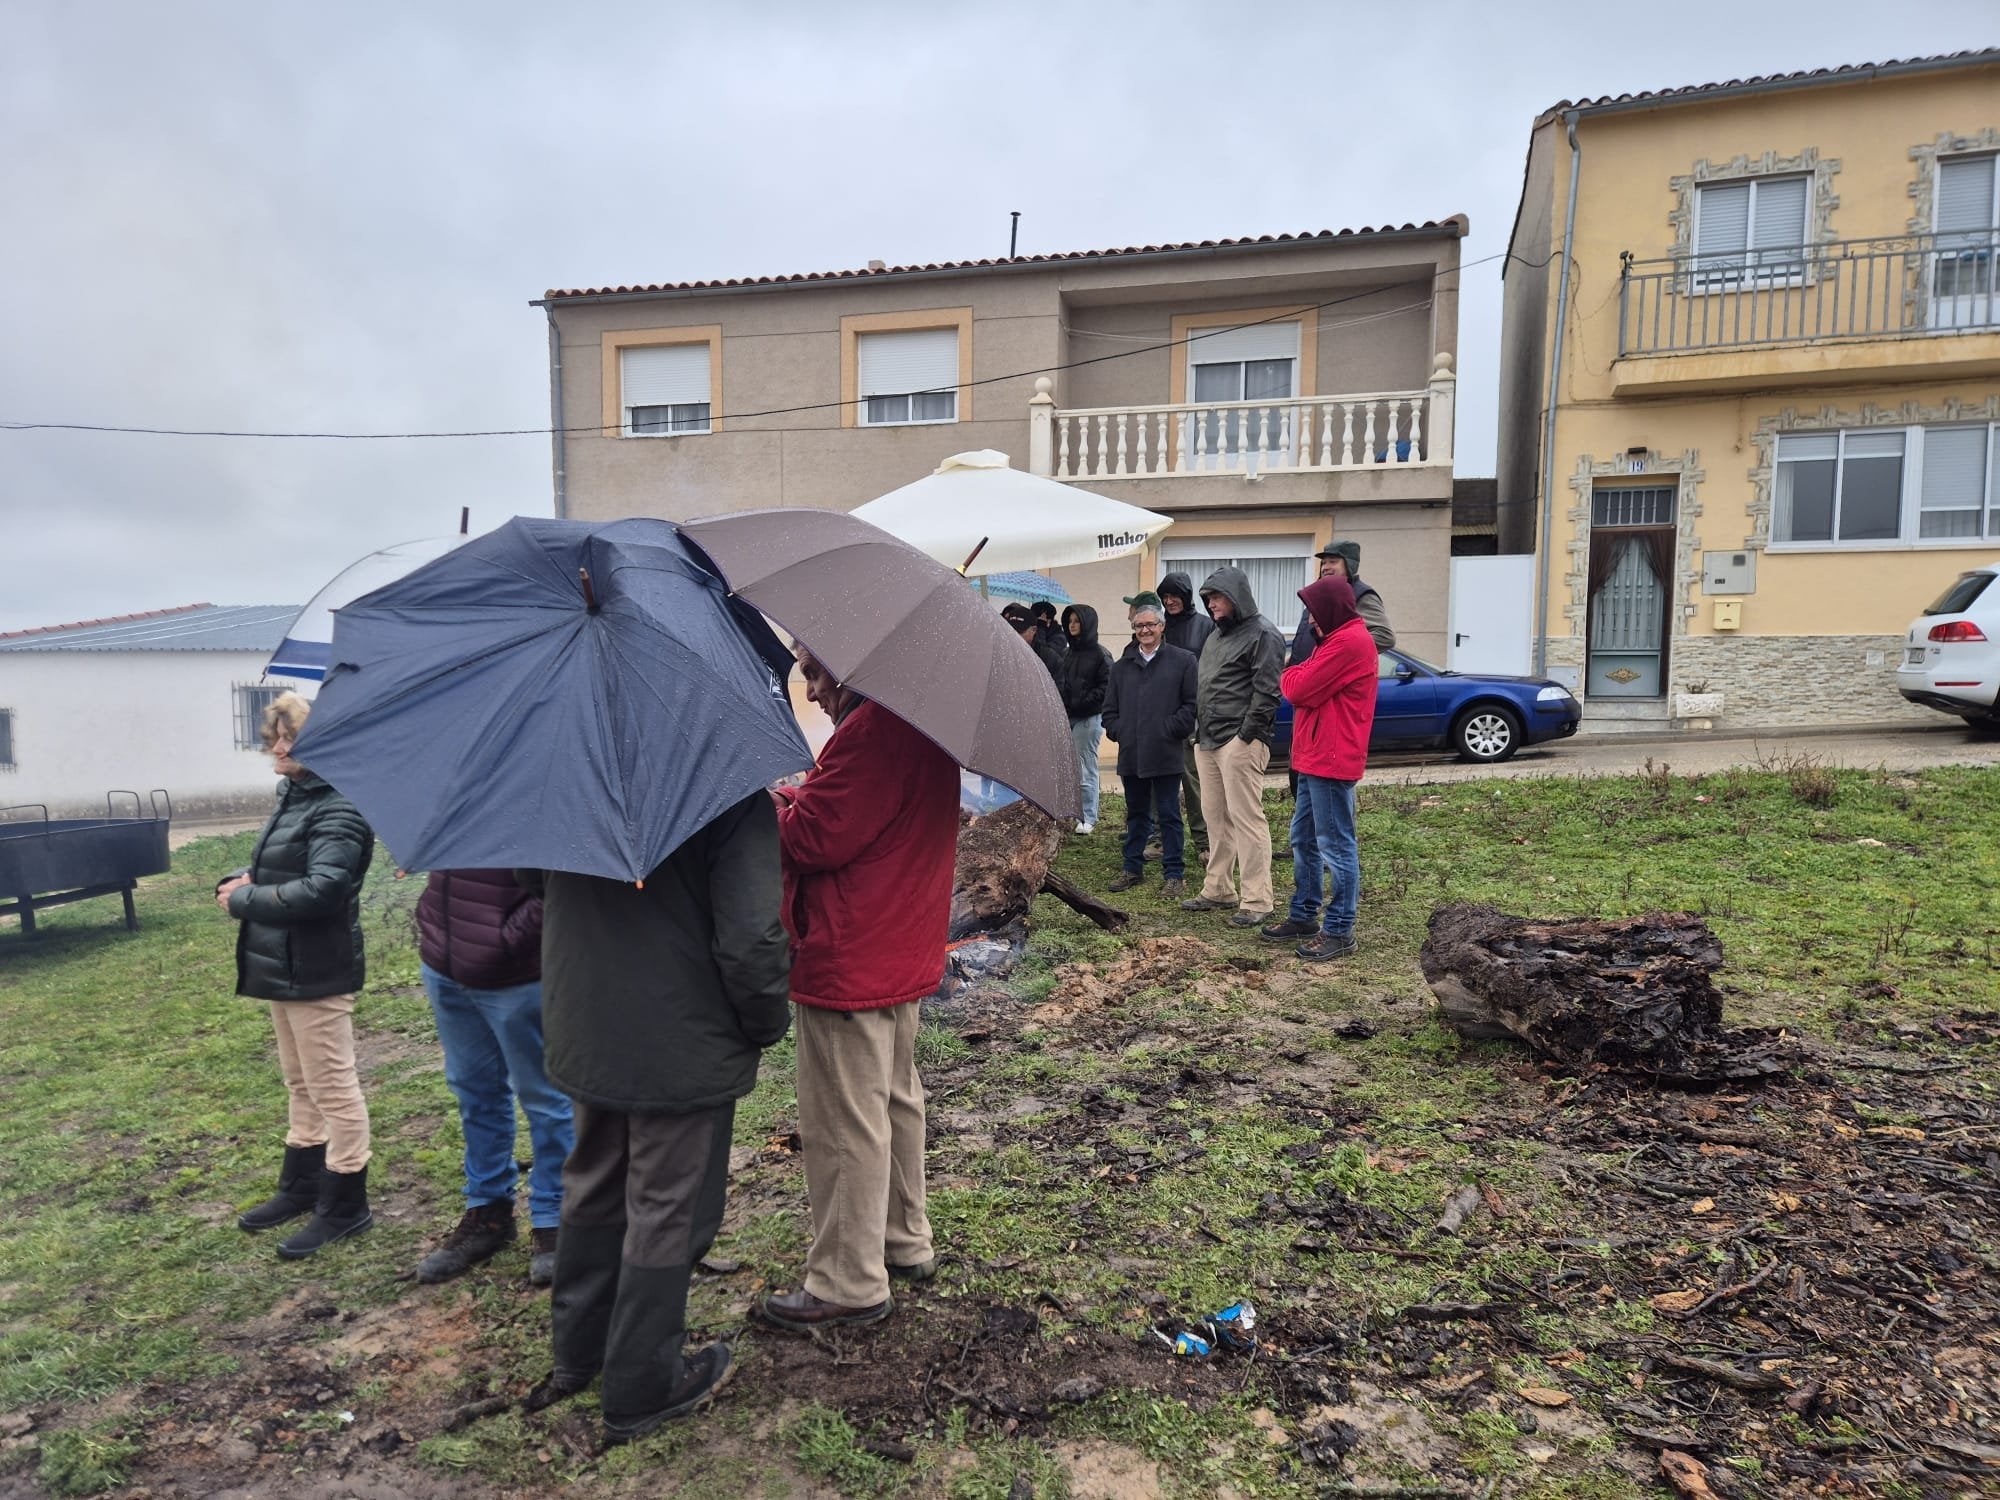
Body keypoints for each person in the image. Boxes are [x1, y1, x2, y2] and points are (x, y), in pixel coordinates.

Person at [519, 793, 792, 1442]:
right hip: (680, 1036)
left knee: (592, 1183)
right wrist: (766, 1022)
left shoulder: (569, 774)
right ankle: (642, 1384)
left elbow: (528, 877)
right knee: (666, 1207)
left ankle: (578, 1354)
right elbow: (753, 938)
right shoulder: (725, 791)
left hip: (587, 1019)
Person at [761, 649, 959, 1332]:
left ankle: (847, 1280)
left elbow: (814, 838)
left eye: (816, 673)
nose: (811, 691)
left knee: (846, 1120)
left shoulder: (873, 733)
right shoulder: (917, 724)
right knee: (895, 1099)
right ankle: (904, 1239)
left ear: (855, 666)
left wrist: (772, 804)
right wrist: (802, 796)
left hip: (851, 954)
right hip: (897, 947)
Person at [220, 691, 377, 1261]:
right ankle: (302, 1186)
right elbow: (294, 867)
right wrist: (249, 875)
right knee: (299, 1081)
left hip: (317, 967)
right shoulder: (295, 795)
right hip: (281, 963)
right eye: (275, 738)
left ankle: (345, 1203)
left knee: (333, 1087)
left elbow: (325, 888)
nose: (279, 748)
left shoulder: (339, 806)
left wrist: (245, 900)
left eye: (291, 739)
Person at [412, 869, 575, 1287]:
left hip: (517, 976)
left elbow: (567, 878)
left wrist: (506, 937)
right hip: (444, 963)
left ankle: (555, 1220)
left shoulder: (546, 802)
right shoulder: (454, 799)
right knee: (474, 1093)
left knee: (546, 1099)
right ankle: (488, 1211)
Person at [1262, 576, 1379, 961]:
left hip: (1331, 758)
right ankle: (1304, 914)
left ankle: (1340, 929)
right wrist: (1297, 675)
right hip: (1315, 756)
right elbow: (1299, 681)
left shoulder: (1348, 643)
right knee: (1304, 840)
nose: (1310, 620)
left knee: (1335, 845)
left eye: (1314, 612)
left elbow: (1294, 687)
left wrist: (1294, 675)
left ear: (1330, 609)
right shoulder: (1333, 641)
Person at [1178, 568, 1286, 926]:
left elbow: (1268, 692)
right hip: (1207, 739)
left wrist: (1246, 737)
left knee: (1247, 820)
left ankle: (1258, 900)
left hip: (1240, 742)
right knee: (1215, 818)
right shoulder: (1216, 636)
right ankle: (1219, 888)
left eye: (1217, 598)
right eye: (1207, 600)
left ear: (1237, 596)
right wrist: (1198, 732)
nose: (1211, 605)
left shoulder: (1264, 634)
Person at [1101, 601, 1198, 899]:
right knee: (1137, 814)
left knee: (1169, 815)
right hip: (1132, 753)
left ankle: (1174, 874)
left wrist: (1168, 729)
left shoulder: (1183, 661)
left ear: (1162, 627)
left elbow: (1191, 706)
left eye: (1150, 625)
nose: (1145, 630)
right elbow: (1109, 711)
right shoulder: (1121, 667)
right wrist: (1121, 731)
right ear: (1134, 630)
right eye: (1139, 626)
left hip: (1166, 752)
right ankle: (1132, 868)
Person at [1157, 572, 1215, 855]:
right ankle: (1159, 838)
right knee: (1159, 778)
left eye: (1174, 595)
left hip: (1192, 714)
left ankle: (1204, 842)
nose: (1169, 601)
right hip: (1162, 713)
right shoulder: (1161, 628)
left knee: (1192, 780)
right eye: (1165, 597)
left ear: (1186, 595)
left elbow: (1212, 669)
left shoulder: (1205, 626)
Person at [1289, 541, 1396, 662]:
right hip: (1304, 674)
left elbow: (1385, 636)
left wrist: (1334, 654)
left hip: (1330, 676)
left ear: (1349, 564)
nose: (1325, 567)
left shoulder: (1360, 595)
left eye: (1333, 562)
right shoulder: (1320, 594)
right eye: (1323, 563)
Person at [1056, 604, 1111, 835]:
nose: (1072, 625)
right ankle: (1071, 812)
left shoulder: (1101, 654)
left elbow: (1107, 687)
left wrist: (1083, 701)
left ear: (1087, 623)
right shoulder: (1068, 653)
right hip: (1068, 715)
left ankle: (1088, 816)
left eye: (1077, 621)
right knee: (1068, 767)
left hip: (1089, 718)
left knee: (1085, 767)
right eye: (1070, 621)